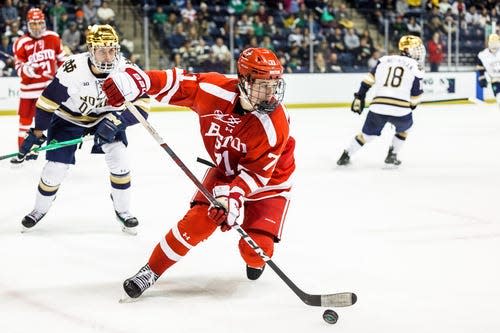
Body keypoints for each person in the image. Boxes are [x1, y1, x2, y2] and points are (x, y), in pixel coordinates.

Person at [101, 47, 296, 298]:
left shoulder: (275, 123)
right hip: (226, 170)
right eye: (262, 86)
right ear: (244, 81)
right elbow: (176, 82)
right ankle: (151, 270)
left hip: (270, 181)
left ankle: (254, 261)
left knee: (256, 249)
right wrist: (139, 80)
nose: (271, 95)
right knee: (197, 224)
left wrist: (232, 198)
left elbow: (256, 174)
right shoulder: (215, 90)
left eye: (274, 86)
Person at [18, 24, 150, 235]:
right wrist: (37, 132)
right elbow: (47, 102)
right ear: (90, 49)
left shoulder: (124, 68)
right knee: (55, 169)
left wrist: (118, 122)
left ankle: (123, 211)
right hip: (70, 119)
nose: (108, 56)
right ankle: (38, 210)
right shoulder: (73, 69)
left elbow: (143, 107)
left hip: (106, 118)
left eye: (112, 50)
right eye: (101, 50)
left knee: (120, 160)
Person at [337, 35, 425, 167]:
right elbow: (415, 96)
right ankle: (392, 155)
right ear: (406, 50)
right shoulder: (416, 66)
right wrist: (413, 105)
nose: (419, 52)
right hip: (400, 110)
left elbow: (368, 80)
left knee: (366, 136)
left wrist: (359, 96)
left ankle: (346, 155)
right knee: (404, 129)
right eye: (416, 49)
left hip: (378, 106)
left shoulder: (384, 60)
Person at [10, 8, 65, 163]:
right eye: (33, 24)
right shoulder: (21, 42)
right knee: (24, 123)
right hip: (29, 91)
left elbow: (62, 61)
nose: (37, 27)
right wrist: (27, 70)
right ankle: (23, 152)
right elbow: (19, 67)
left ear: (44, 23)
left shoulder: (53, 38)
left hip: (49, 90)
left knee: (55, 121)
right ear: (28, 24)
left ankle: (55, 151)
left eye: (40, 23)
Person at [477, 33, 500, 106]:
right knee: (499, 97)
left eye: (495, 42)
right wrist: (481, 77)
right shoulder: (483, 55)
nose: (494, 45)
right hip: (495, 79)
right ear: (489, 43)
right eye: (492, 42)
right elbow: (480, 67)